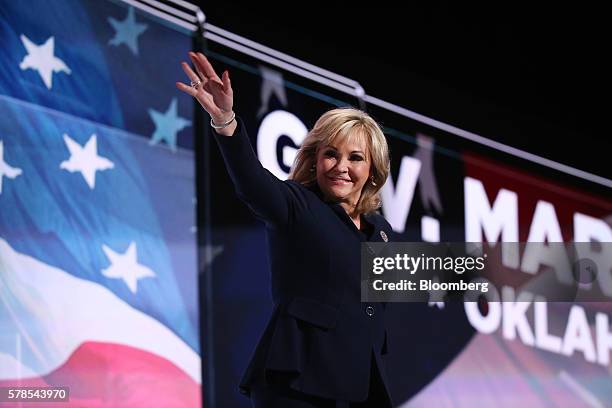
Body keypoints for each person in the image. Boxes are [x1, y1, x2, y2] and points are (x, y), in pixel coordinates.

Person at [177, 52, 396, 408]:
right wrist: (226, 122)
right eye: (331, 154)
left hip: (359, 389)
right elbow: (251, 183)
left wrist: (509, 272)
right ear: (315, 157)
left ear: (372, 170)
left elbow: (430, 281)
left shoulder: (381, 231)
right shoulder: (297, 204)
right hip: (298, 381)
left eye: (355, 158)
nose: (341, 166)